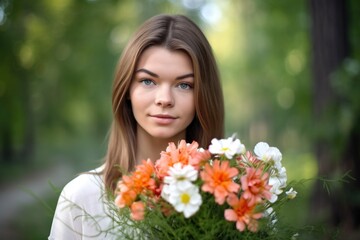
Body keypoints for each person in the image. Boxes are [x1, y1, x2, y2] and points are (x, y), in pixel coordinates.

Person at [49, 14, 224, 239]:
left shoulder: (239, 201)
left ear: (204, 96)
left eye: (184, 85)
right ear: (127, 90)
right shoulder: (81, 198)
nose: (164, 99)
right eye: (148, 81)